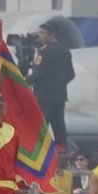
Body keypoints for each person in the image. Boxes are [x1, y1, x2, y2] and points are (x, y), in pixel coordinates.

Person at [27, 22, 75, 157]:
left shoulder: (45, 52)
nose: (39, 36)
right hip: (60, 96)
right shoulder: (65, 51)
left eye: (43, 33)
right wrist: (58, 84)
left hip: (44, 97)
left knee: (40, 127)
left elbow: (39, 74)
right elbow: (71, 74)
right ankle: (61, 152)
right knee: (59, 126)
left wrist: (23, 81)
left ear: (52, 34)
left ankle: (38, 154)